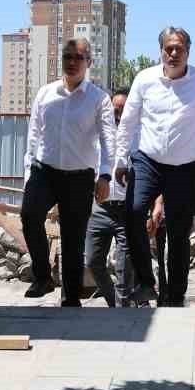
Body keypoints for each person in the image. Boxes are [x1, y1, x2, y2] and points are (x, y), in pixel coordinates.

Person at [115, 26, 195, 306]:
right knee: (134, 211)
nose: (174, 54)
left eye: (179, 49)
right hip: (148, 160)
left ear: (188, 51)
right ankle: (146, 283)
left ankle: (175, 295)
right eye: (168, 48)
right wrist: (121, 160)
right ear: (160, 51)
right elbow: (128, 122)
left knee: (178, 233)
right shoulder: (144, 79)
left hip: (186, 167)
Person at [21, 37, 116, 306]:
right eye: (67, 57)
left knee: (73, 240)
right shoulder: (46, 93)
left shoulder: (99, 99)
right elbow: (34, 135)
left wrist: (105, 176)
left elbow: (109, 139)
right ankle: (42, 277)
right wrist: (29, 172)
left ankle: (71, 300)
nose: (72, 62)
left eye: (78, 57)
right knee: (29, 215)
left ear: (89, 62)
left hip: (79, 177)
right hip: (44, 171)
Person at [85, 89, 133, 307]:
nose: (119, 115)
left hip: (125, 209)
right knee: (93, 261)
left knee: (124, 267)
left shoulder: (137, 136)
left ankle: (123, 311)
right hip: (100, 208)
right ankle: (115, 304)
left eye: (123, 110)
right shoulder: (97, 136)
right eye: (115, 110)